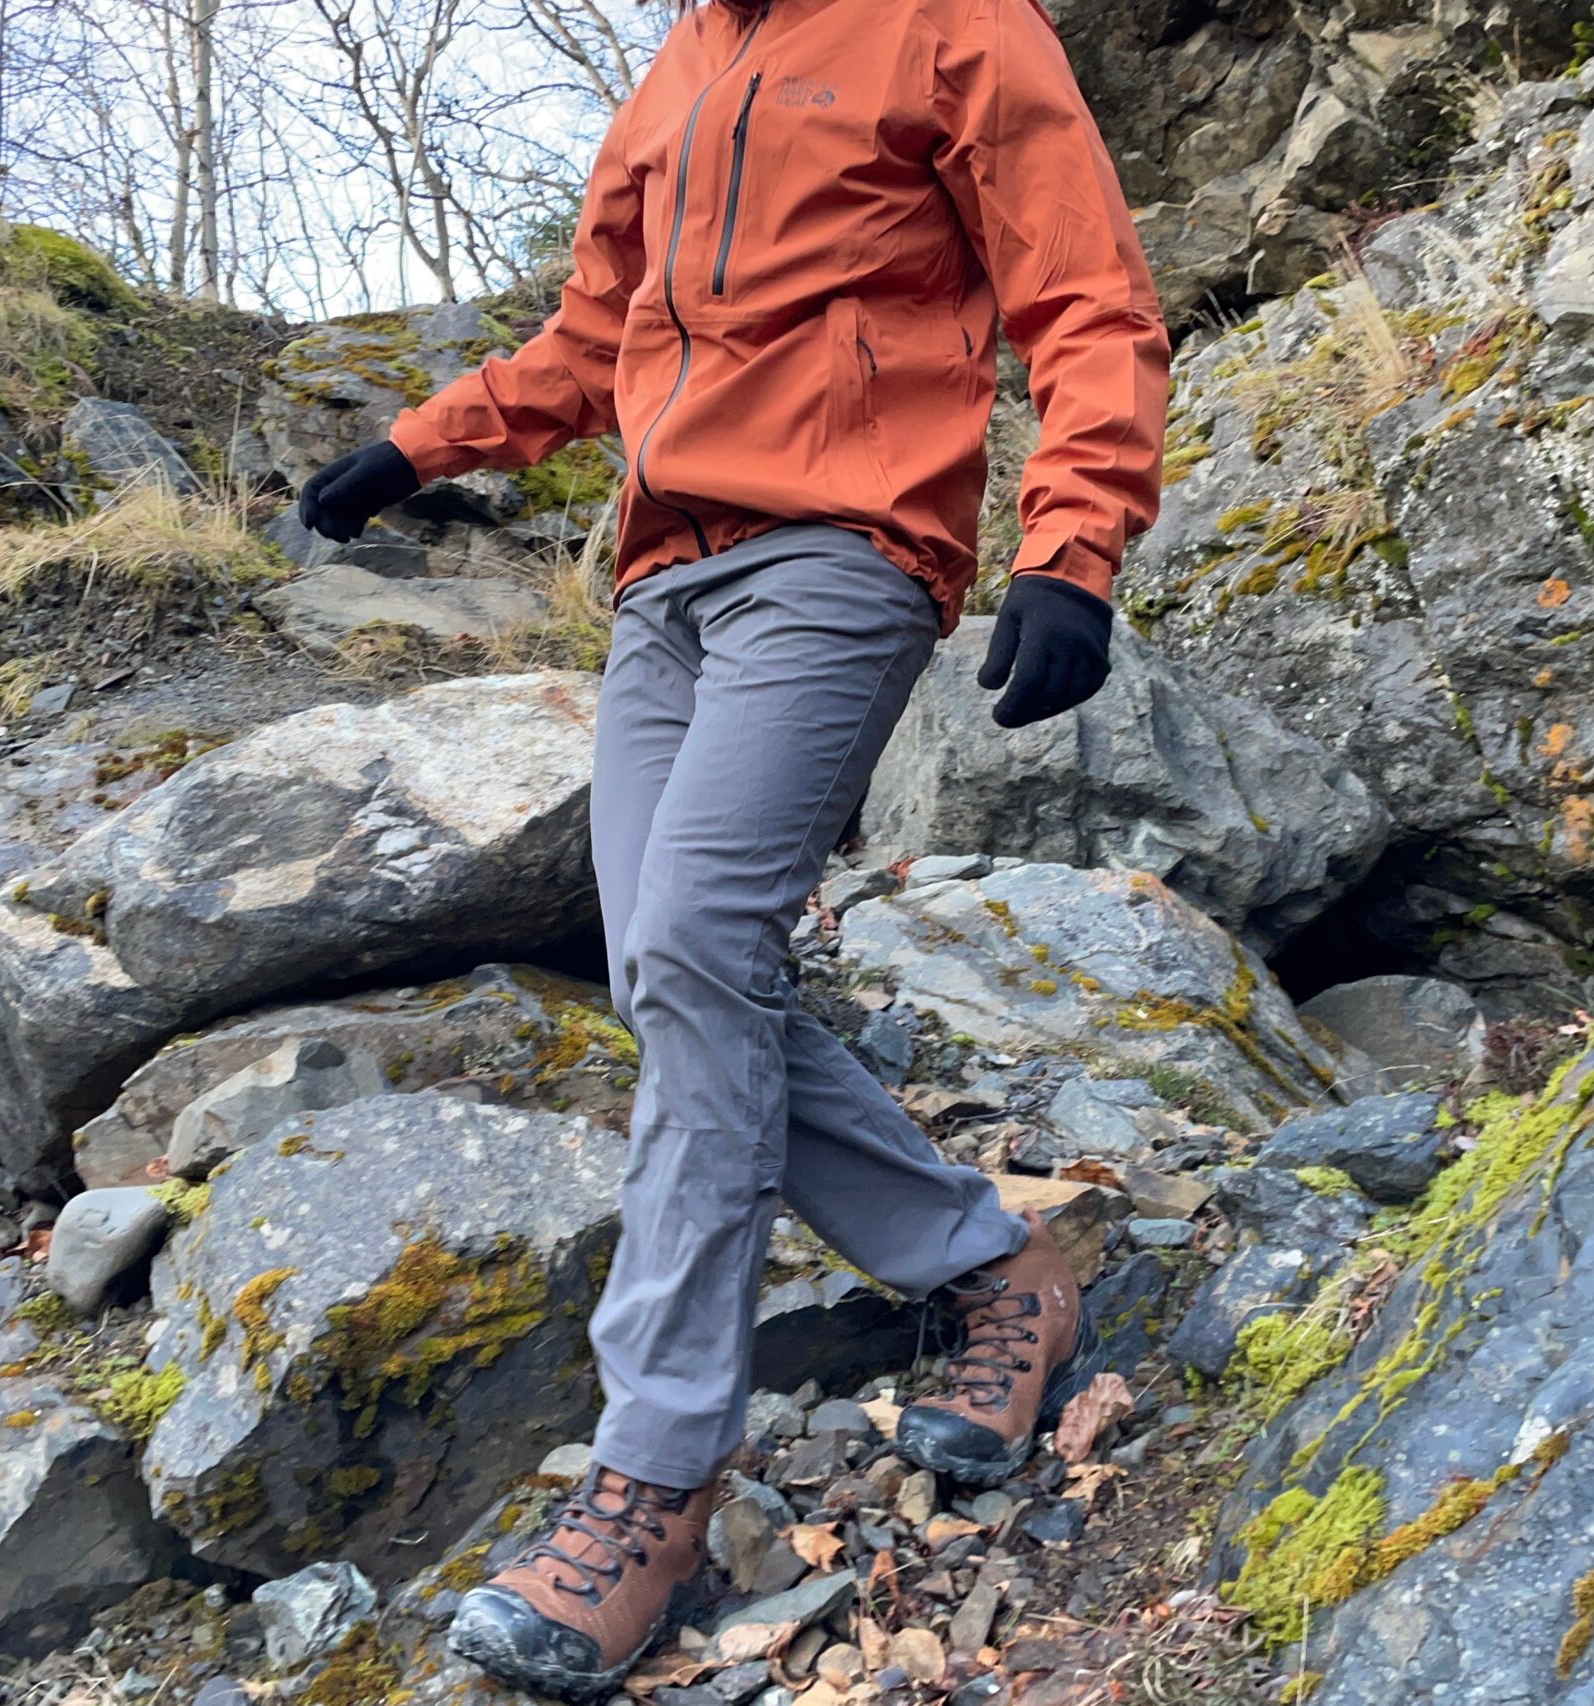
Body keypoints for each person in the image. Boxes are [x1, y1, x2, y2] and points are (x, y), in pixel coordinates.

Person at [299, 0, 1166, 1690]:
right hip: (658, 591)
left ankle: (657, 1472)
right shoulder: (680, 69)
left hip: (843, 552)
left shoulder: (949, 22)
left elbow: (1085, 291)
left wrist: (1074, 541)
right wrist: (419, 444)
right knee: (671, 966)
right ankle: (994, 1264)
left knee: (696, 943)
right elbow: (590, 343)